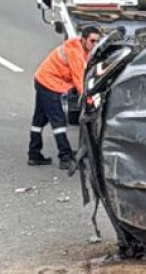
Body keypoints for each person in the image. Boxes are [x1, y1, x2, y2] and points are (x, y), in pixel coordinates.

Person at [29, 26, 102, 170]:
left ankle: (34, 153)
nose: (94, 45)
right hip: (49, 84)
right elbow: (79, 81)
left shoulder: (81, 48)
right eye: (92, 41)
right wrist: (90, 99)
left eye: (97, 42)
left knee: (39, 119)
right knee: (59, 121)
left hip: (42, 79)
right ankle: (65, 156)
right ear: (84, 39)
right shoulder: (76, 52)